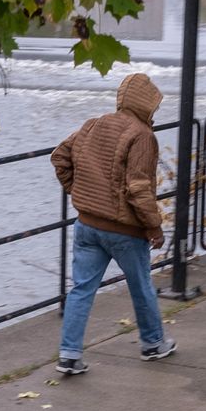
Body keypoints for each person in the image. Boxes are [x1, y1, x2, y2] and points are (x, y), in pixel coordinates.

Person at [50, 71, 178, 375]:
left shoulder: (93, 124)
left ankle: (69, 355)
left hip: (87, 226)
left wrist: (78, 191)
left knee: (81, 289)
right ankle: (153, 343)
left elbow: (59, 157)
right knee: (142, 286)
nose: (155, 113)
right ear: (146, 105)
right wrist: (154, 226)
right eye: (155, 107)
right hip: (124, 232)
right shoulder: (143, 136)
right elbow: (138, 186)